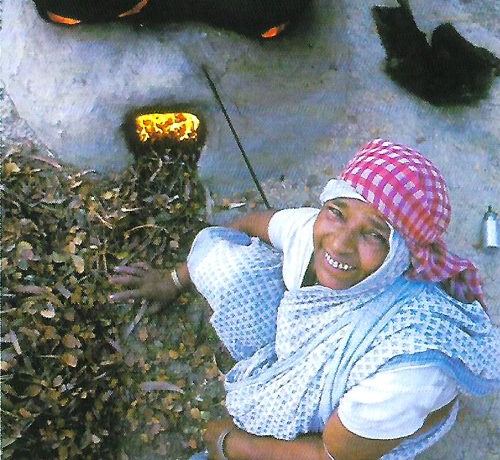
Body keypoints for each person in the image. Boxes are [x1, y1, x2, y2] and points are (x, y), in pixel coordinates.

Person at [110, 139, 499, 459]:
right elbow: (255, 223)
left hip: (367, 436)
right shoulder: (313, 232)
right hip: (317, 349)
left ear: (403, 257)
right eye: (338, 212)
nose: (339, 244)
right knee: (219, 261)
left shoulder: (407, 370)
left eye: (375, 235)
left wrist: (231, 444)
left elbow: (332, 454)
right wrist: (175, 278)